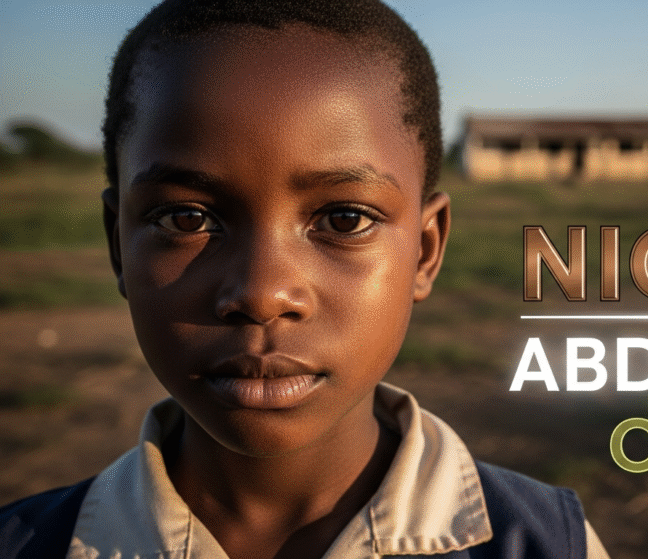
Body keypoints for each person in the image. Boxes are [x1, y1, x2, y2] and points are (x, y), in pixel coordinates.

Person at [0, 1, 609, 557]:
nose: (262, 294)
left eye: (344, 219)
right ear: (118, 245)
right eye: (187, 218)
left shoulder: (545, 543)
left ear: (425, 251)